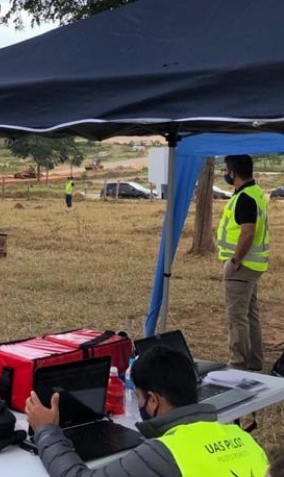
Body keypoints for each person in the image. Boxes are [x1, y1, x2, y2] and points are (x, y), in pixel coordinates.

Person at [25, 345, 269, 477]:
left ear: (153, 400)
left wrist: (46, 430)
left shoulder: (163, 453)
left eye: (139, 397)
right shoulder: (244, 439)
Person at [218, 154, 270, 370]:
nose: (224, 174)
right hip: (252, 266)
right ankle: (255, 362)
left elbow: (247, 233)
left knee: (237, 316)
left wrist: (235, 260)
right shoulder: (254, 192)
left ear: (233, 173)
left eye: (225, 170)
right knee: (250, 314)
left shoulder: (245, 197)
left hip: (241, 266)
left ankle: (238, 363)